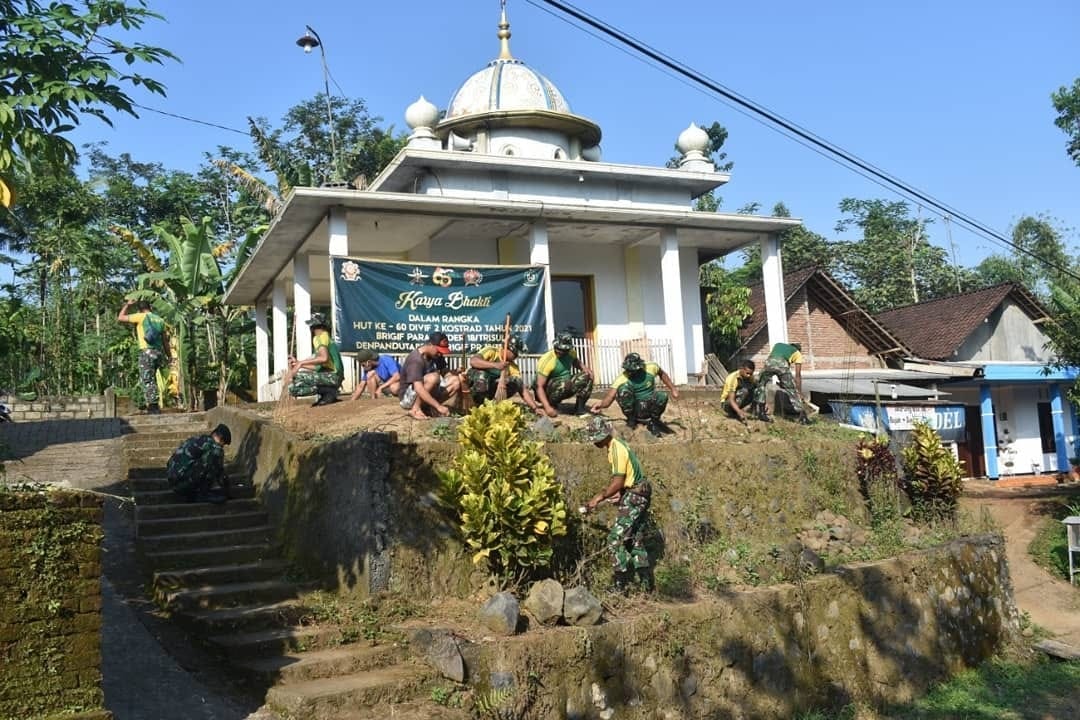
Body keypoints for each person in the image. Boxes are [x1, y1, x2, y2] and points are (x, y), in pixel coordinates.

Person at [581, 416, 653, 593]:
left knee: (615, 538)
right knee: (636, 540)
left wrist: (600, 496)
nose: (594, 442)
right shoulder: (618, 445)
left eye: (594, 438)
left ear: (601, 436)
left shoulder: (615, 448)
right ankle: (646, 584)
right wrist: (620, 495)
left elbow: (618, 481)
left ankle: (620, 584)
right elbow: (630, 475)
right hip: (638, 492)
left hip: (635, 494)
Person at [590, 352, 678, 436]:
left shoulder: (651, 367)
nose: (631, 372)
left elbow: (662, 374)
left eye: (633, 370)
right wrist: (600, 405)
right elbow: (609, 398)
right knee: (622, 390)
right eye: (629, 370)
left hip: (650, 404)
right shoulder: (622, 379)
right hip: (635, 408)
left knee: (662, 396)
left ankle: (654, 422)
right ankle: (632, 421)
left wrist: (673, 389)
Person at [465, 335, 540, 411]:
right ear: (508, 349)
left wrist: (535, 408)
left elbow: (522, 389)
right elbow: (473, 361)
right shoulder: (492, 351)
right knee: (482, 376)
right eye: (515, 353)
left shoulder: (513, 366)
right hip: (474, 385)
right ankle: (476, 406)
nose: (516, 356)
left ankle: (492, 404)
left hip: (491, 390)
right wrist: (495, 365)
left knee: (516, 381)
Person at [118, 298, 167, 414]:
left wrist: (127, 305)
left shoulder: (141, 317)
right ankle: (154, 403)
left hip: (147, 352)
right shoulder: (160, 320)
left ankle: (153, 406)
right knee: (153, 378)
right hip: (159, 353)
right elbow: (165, 341)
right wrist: (169, 356)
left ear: (140, 310)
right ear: (150, 308)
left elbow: (120, 317)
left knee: (148, 379)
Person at [399, 332, 461, 420]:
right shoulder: (416, 360)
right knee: (433, 377)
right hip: (408, 398)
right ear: (430, 344)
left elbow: (446, 374)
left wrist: (457, 373)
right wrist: (439, 406)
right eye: (438, 350)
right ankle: (415, 409)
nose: (440, 354)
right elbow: (418, 388)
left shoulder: (436, 355)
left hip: (426, 393)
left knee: (455, 381)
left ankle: (429, 408)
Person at [285, 313, 344, 406]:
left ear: (314, 326)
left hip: (333, 376)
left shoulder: (321, 337)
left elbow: (324, 358)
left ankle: (330, 391)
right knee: (295, 384)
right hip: (331, 376)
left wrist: (300, 363)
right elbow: (318, 367)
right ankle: (327, 393)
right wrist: (297, 363)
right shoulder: (324, 337)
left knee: (296, 380)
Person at [166, 423, 231, 503]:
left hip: (175, 482)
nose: (222, 446)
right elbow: (218, 470)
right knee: (215, 454)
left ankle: (196, 492)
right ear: (221, 439)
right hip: (183, 484)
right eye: (223, 444)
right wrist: (226, 486)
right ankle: (203, 493)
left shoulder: (197, 439)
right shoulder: (213, 447)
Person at [534, 332, 594, 417]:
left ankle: (579, 409)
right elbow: (539, 386)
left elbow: (576, 362)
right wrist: (547, 407)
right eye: (557, 348)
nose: (559, 351)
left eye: (562, 350)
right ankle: (552, 404)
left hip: (565, 384)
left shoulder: (571, 353)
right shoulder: (547, 360)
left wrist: (585, 369)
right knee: (564, 383)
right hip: (548, 390)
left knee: (588, 375)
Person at [754, 342, 811, 424]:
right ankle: (803, 416)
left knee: (761, 384)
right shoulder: (797, 353)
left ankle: (761, 412)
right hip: (782, 364)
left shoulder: (778, 345)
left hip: (769, 363)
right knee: (792, 390)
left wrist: (782, 382)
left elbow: (775, 362)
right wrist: (799, 391)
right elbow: (797, 375)